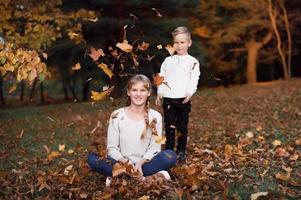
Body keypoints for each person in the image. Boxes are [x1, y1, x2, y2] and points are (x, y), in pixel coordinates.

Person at [88, 74, 177, 185]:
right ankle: (144, 177)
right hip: (121, 163)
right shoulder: (117, 115)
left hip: (145, 163)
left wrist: (140, 163)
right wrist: (127, 163)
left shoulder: (155, 116)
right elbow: (112, 148)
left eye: (143, 90)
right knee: (92, 158)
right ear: (128, 92)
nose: (138, 94)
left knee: (170, 156)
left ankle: (121, 178)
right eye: (134, 90)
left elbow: (155, 147)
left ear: (148, 93)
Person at [155, 26, 200, 163]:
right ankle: (169, 151)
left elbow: (194, 78)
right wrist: (160, 92)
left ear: (189, 43)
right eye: (176, 42)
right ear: (172, 43)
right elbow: (162, 77)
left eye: (182, 42)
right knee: (169, 126)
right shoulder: (168, 61)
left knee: (182, 126)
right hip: (169, 99)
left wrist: (190, 92)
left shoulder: (193, 61)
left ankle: (181, 152)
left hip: (183, 100)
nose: (179, 45)